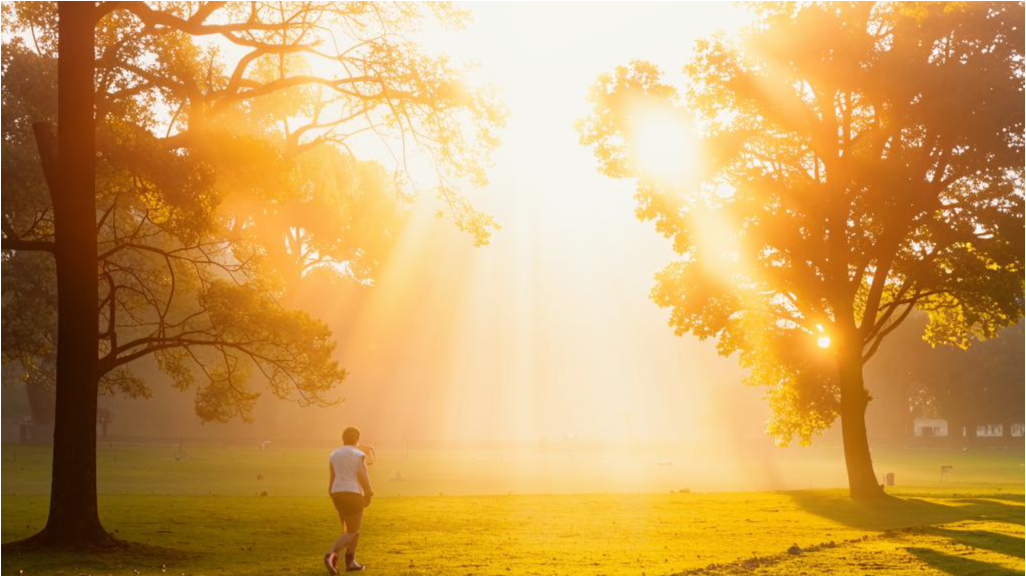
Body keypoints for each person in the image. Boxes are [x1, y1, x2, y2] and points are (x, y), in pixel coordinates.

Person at [324, 427, 374, 573]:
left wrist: (332, 493)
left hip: (336, 492)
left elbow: (332, 476)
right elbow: (362, 475)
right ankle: (330, 554)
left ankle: (350, 562)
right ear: (357, 439)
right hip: (352, 493)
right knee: (353, 530)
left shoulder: (334, 454)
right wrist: (369, 492)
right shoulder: (358, 454)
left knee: (351, 530)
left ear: (343, 439)